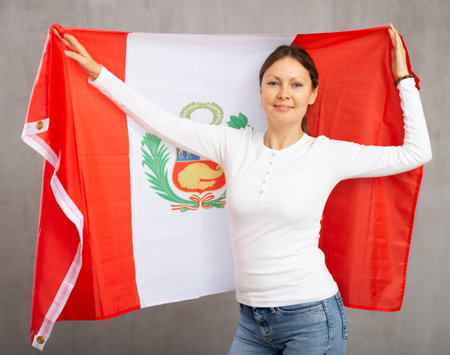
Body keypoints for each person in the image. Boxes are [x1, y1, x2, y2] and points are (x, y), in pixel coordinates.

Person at [54, 24, 432, 354]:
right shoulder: (234, 144)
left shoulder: (327, 154)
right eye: (274, 82)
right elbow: (160, 122)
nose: (284, 93)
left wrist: (403, 81)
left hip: (312, 319)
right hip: (253, 322)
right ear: (261, 91)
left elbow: (416, 152)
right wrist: (98, 72)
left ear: (312, 95)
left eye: (296, 84)